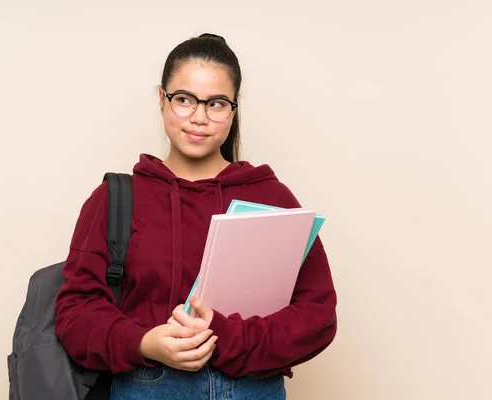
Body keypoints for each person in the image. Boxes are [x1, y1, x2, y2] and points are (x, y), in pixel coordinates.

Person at [55, 33, 337, 400]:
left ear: (234, 110)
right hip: (147, 387)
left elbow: (317, 315)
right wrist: (143, 342)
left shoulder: (272, 197)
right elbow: (75, 312)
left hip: (252, 390)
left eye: (216, 104)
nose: (199, 118)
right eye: (184, 100)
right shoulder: (115, 199)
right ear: (162, 99)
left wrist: (229, 338)